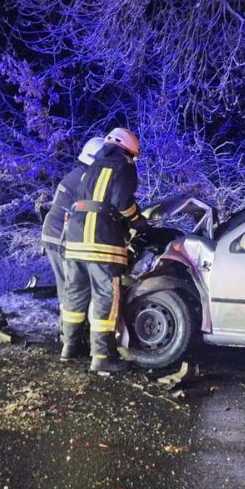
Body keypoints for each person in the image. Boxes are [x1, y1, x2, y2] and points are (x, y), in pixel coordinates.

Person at [60, 126, 149, 373]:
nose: (133, 160)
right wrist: (137, 221)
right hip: (102, 242)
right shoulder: (125, 166)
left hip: (76, 240)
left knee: (75, 292)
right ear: (129, 150)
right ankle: (102, 357)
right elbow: (122, 202)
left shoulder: (93, 166)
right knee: (105, 297)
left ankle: (69, 346)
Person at [40, 137, 106, 359]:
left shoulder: (79, 174)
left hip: (56, 234)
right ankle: (67, 339)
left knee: (71, 287)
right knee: (70, 288)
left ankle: (71, 337)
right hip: (60, 238)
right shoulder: (85, 178)